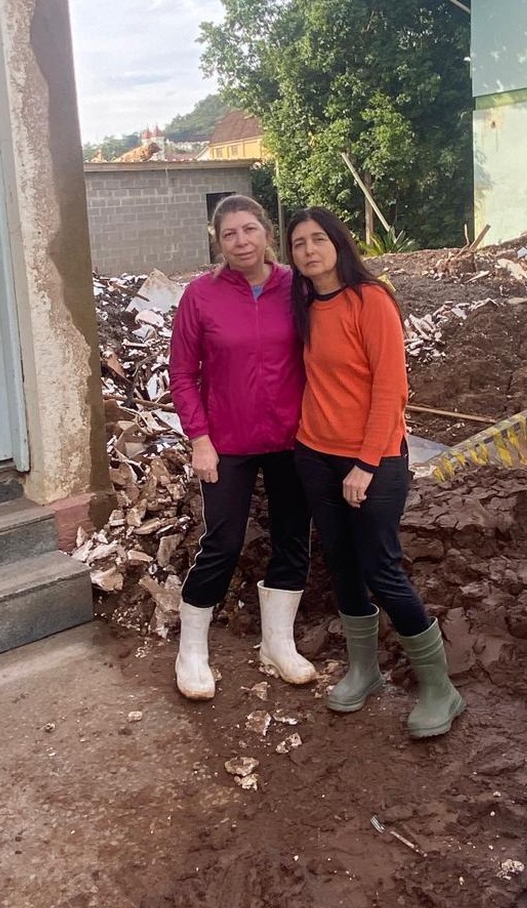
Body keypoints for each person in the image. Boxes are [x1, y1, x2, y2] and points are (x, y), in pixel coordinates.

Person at [286, 206, 464, 739]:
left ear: (339, 243)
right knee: (340, 563)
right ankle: (365, 672)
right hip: (314, 453)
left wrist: (365, 463)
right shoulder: (301, 306)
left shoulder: (371, 300)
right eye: (298, 243)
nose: (310, 250)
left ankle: (440, 688)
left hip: (375, 460)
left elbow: (391, 390)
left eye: (319, 239)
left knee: (380, 567)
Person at [168, 194, 316, 700]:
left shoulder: (296, 287)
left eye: (249, 229)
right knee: (224, 542)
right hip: (226, 442)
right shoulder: (200, 296)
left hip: (293, 438)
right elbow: (183, 375)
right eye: (229, 233)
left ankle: (278, 643)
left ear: (266, 232)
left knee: (293, 537)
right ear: (218, 240)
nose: (241, 241)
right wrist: (199, 439)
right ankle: (192, 652)